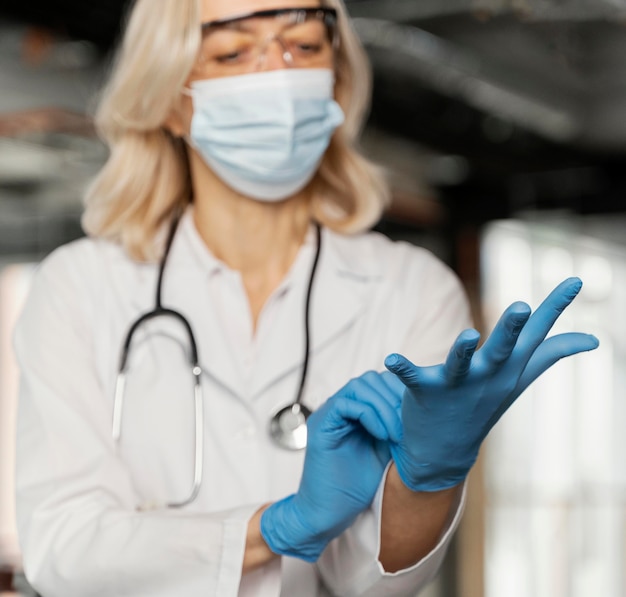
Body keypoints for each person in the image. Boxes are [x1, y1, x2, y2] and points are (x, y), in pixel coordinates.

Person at [13, 0, 598, 595]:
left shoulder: (412, 288)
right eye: (234, 52)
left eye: (305, 46)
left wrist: (429, 478)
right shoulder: (80, 286)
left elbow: (380, 584)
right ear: (171, 101)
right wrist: (282, 527)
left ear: (336, 86)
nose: (278, 75)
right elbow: (64, 548)